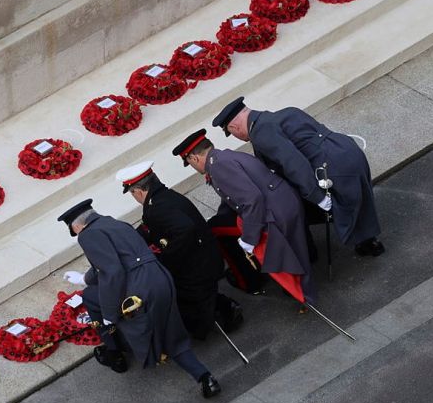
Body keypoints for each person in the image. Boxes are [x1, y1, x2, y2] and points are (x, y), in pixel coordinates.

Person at [58, 199, 222, 398]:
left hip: (138, 289)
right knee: (172, 333)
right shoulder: (116, 223)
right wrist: (85, 278)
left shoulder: (87, 235)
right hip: (160, 279)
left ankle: (114, 352)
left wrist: (109, 312)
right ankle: (205, 378)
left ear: (76, 226)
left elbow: (113, 271)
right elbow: (112, 263)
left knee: (91, 298)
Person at [212, 97, 385, 257]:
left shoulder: (260, 133)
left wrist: (316, 196)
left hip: (329, 166)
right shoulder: (286, 112)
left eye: (232, 133)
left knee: (298, 205)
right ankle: (369, 242)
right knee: (358, 198)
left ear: (234, 127)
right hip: (347, 150)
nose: (237, 137)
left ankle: (309, 254)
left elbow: (293, 162)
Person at [173, 129, 316, 304]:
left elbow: (251, 199)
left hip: (276, 211)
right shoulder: (224, 157)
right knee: (297, 251)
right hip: (284, 201)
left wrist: (249, 238)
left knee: (288, 261)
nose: (194, 168)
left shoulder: (218, 167)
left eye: (190, 163)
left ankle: (304, 297)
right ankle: (303, 289)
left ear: (194, 158)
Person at [115, 161, 243, 338]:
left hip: (200, 265)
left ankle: (224, 311)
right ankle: (221, 308)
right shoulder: (162, 197)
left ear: (138, 191)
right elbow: (150, 228)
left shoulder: (157, 207)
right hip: (205, 256)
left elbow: (185, 229)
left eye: (132, 194)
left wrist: (168, 257)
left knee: (174, 289)